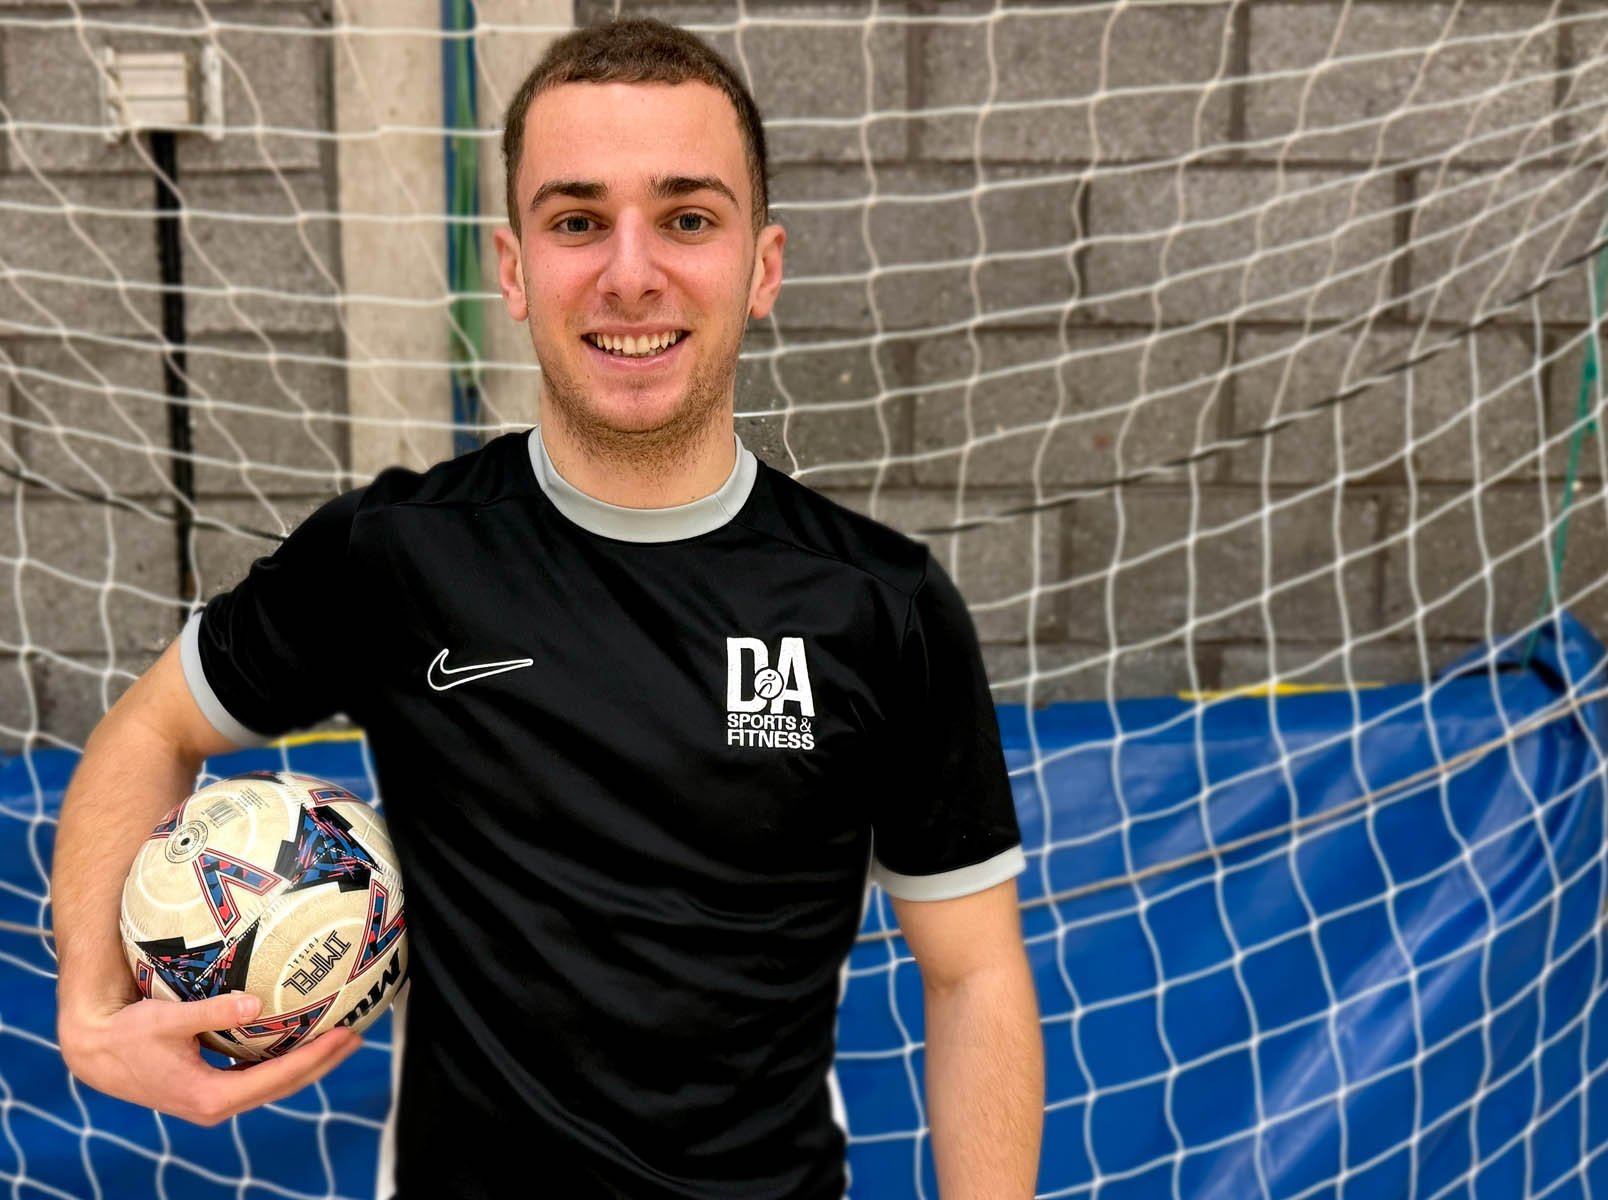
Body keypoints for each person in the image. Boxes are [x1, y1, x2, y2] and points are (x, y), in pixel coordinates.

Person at [53, 17, 1043, 1198]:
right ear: (514, 269)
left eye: (687, 217)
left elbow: (975, 976)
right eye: (578, 221)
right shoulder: (395, 556)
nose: (632, 271)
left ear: (761, 266)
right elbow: (155, 727)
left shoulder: (877, 605)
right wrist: (90, 1010)